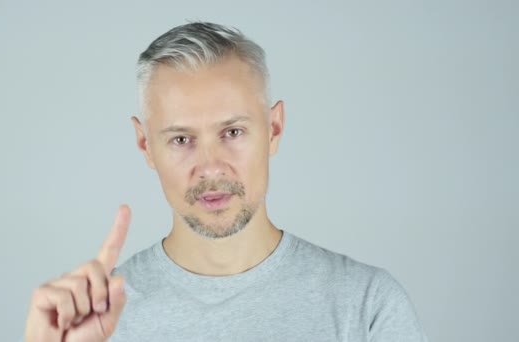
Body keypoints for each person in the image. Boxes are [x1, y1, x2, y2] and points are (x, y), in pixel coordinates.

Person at [24, 22, 429, 342]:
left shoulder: (367, 306)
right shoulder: (96, 322)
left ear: (274, 128)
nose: (211, 167)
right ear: (145, 145)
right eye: (182, 139)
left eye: (232, 133)